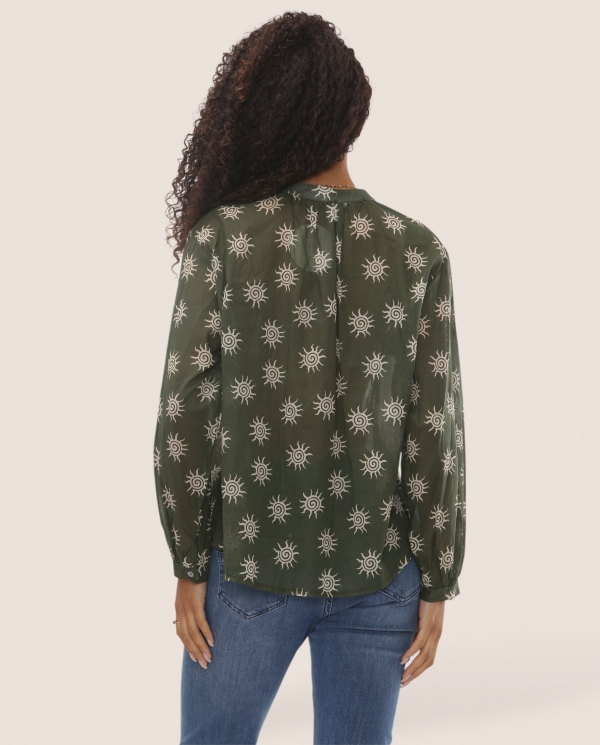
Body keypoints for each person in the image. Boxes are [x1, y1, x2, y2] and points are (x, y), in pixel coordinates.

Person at [153, 11, 466, 745]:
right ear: (352, 114)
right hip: (380, 574)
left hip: (249, 567)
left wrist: (188, 561)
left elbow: (186, 411)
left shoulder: (223, 240)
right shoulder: (417, 250)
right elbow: (435, 429)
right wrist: (438, 575)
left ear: (261, 118)